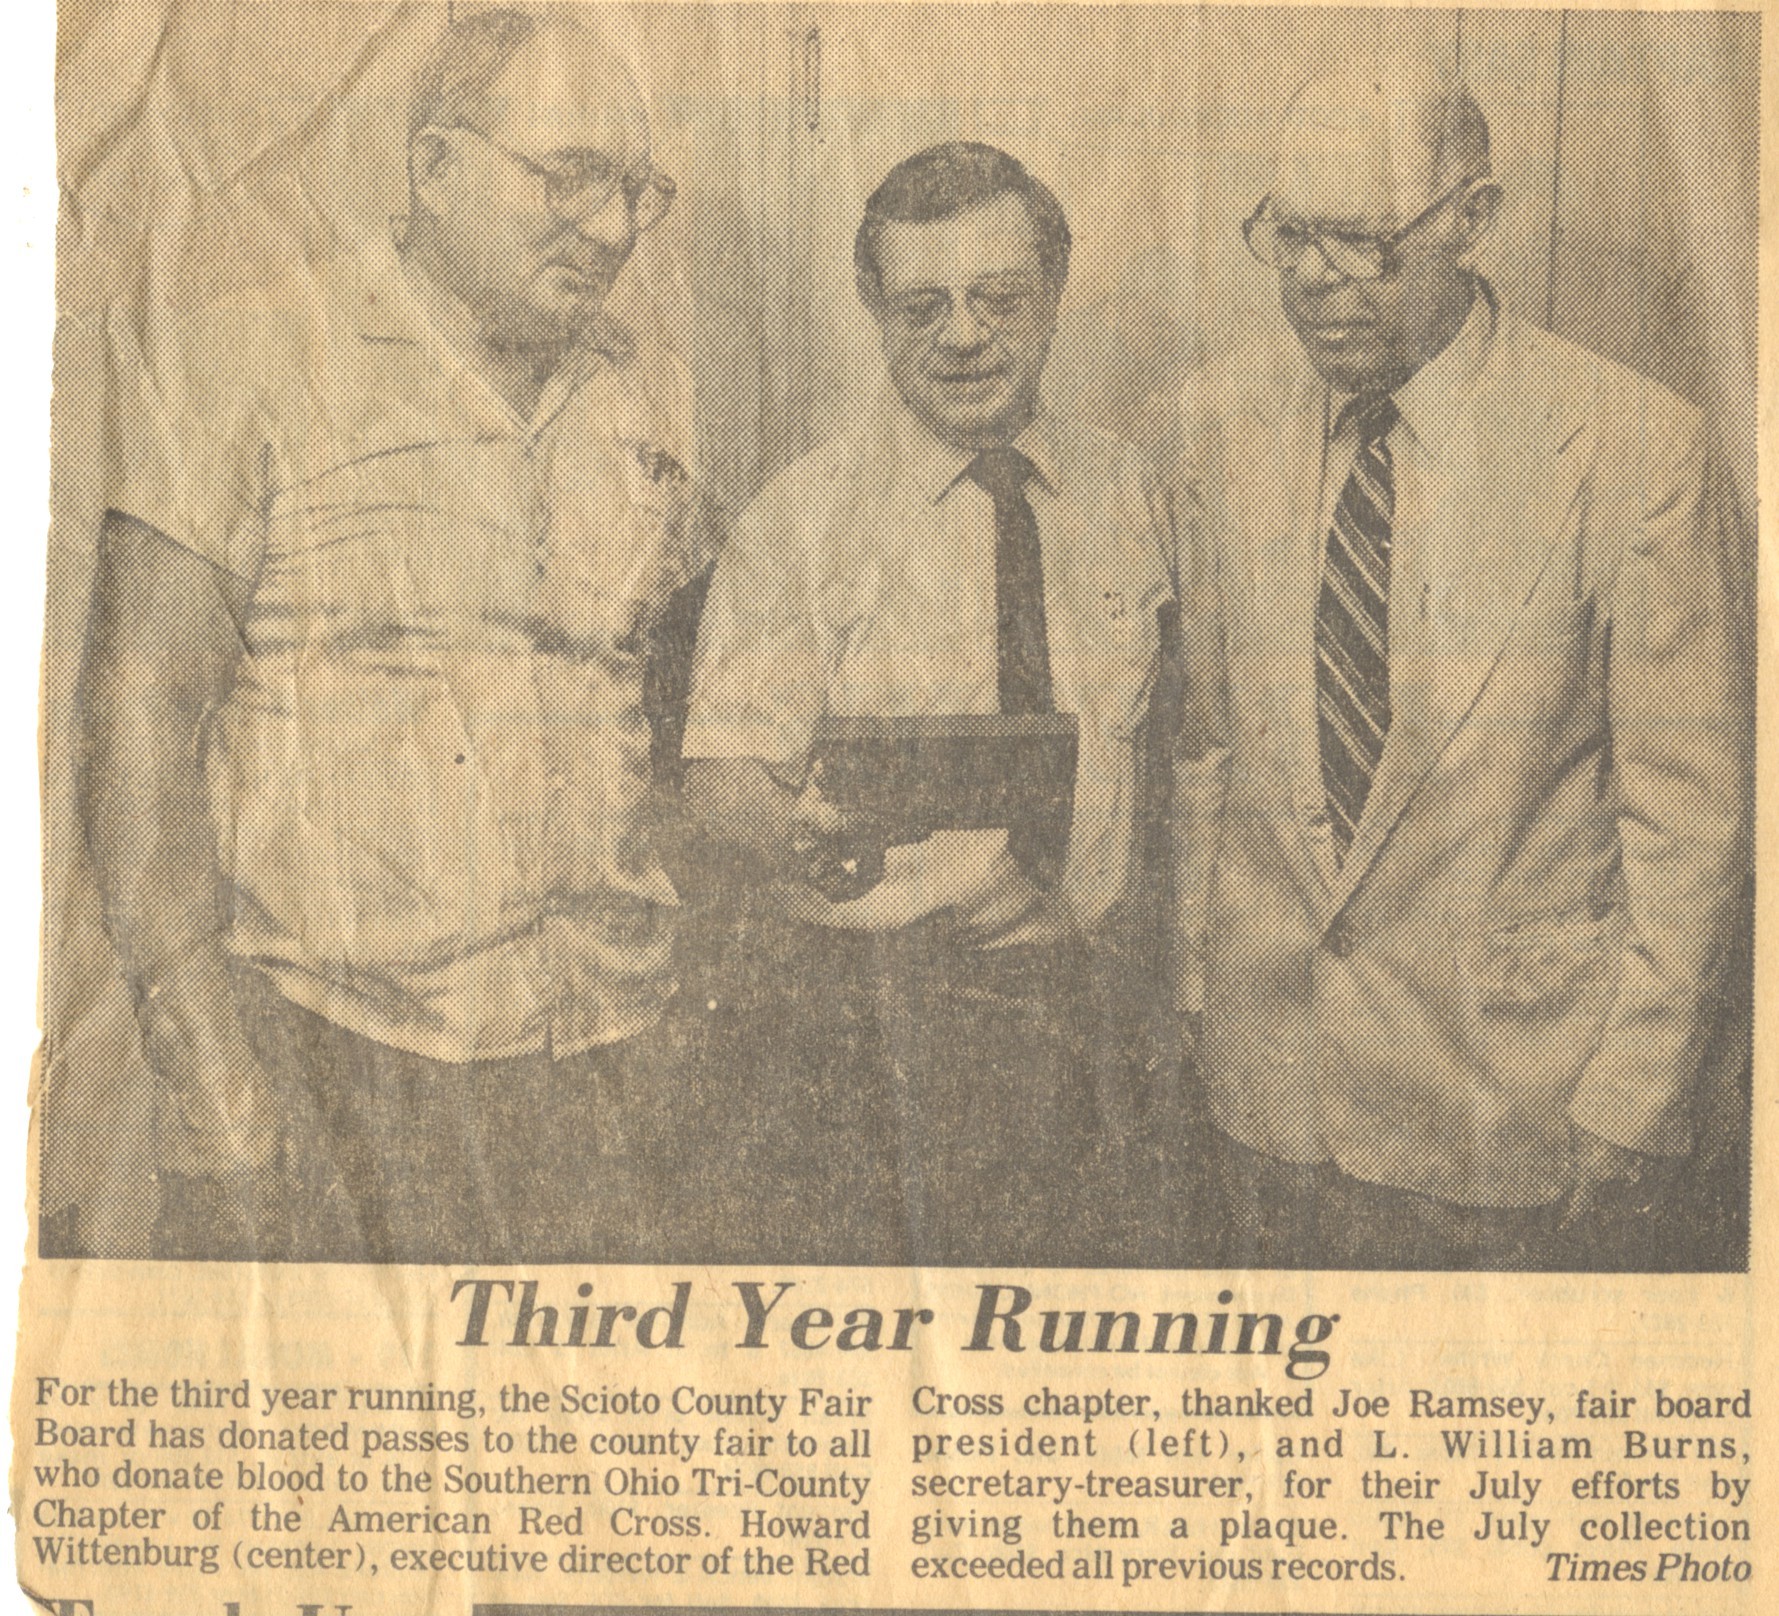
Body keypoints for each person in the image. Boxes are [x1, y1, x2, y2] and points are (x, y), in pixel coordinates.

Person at [81, 8, 718, 1261]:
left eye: (635, 191)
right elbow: (139, 718)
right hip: (332, 1065)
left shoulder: (644, 396)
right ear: (436, 164)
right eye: (571, 175)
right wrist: (204, 1048)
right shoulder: (245, 359)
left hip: (603, 1065)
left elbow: (671, 706)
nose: (609, 229)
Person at [1172, 69, 1751, 1269]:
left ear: (1473, 220)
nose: (1317, 280)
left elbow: (1687, 817)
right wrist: (1194, 996)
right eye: (1289, 238)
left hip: (1513, 1112)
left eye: (1364, 239)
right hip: (1268, 1096)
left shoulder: (1636, 448)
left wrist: (1636, 1097)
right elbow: (1208, 745)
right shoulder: (1216, 424)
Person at [682, 143, 1187, 1266]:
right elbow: (722, 781)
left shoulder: (1133, 492)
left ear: (1054, 294)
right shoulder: (800, 522)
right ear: (872, 307)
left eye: (997, 298)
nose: (962, 336)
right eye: (922, 305)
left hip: (1095, 1023)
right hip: (878, 1034)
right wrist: (798, 830)